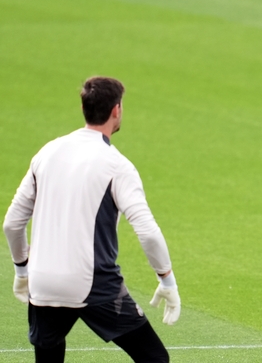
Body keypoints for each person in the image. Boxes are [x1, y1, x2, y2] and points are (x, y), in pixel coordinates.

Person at [3, 77, 181, 363]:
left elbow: (12, 223)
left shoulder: (47, 153)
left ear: (84, 107)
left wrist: (23, 271)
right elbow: (147, 232)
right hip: (95, 284)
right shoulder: (117, 165)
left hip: (43, 283)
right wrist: (166, 280)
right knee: (154, 358)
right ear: (116, 111)